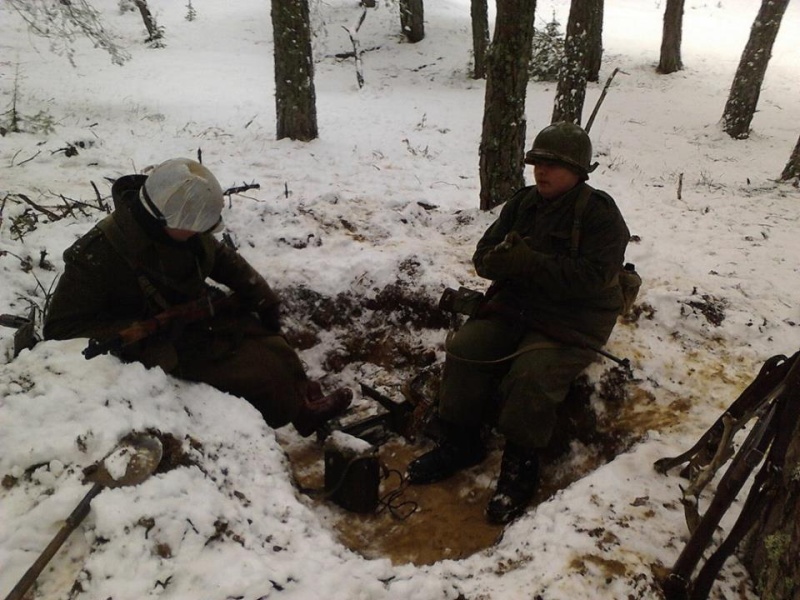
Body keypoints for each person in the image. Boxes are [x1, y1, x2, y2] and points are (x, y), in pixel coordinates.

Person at [406, 122, 631, 524]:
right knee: (467, 348)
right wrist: (498, 262)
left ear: (579, 171)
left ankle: (521, 465)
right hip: (518, 306)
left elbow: (594, 279)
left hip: (575, 318)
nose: (541, 172)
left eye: (553, 165)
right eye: (537, 163)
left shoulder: (599, 214)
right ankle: (460, 442)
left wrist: (531, 264)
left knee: (531, 375)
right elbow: (483, 256)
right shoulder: (523, 203)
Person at [44, 157, 351, 437]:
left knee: (273, 342)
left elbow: (218, 256)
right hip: (155, 343)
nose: (199, 233)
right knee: (262, 372)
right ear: (165, 221)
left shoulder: (180, 226)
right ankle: (278, 417)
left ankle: (304, 405)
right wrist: (143, 331)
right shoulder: (97, 254)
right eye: (193, 228)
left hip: (190, 321)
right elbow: (60, 329)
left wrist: (261, 296)